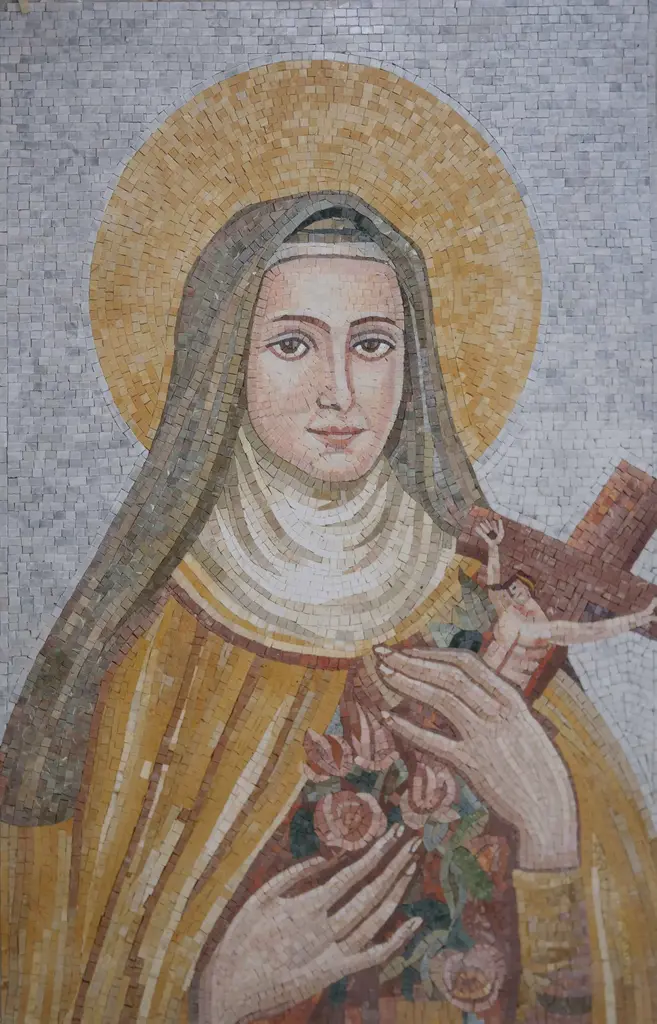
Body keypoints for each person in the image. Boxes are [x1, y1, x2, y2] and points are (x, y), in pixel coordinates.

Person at [0, 194, 656, 1024]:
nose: (339, 391)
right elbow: (49, 976)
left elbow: (625, 969)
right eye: (292, 344)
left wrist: (551, 827)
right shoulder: (136, 649)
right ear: (225, 365)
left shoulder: (497, 620)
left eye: (372, 344)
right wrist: (215, 998)